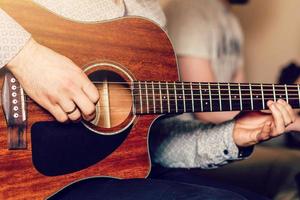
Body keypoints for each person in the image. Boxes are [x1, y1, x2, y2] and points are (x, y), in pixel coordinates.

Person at [0, 0, 297, 199]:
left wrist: (231, 135)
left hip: (89, 174)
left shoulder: (151, 17)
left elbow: (150, 144)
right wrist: (28, 59)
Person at [149, 0, 300, 199]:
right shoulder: (189, 10)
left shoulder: (230, 22)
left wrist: (288, 113)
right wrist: (292, 125)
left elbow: (243, 99)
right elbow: (208, 112)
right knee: (293, 165)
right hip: (189, 142)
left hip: (226, 132)